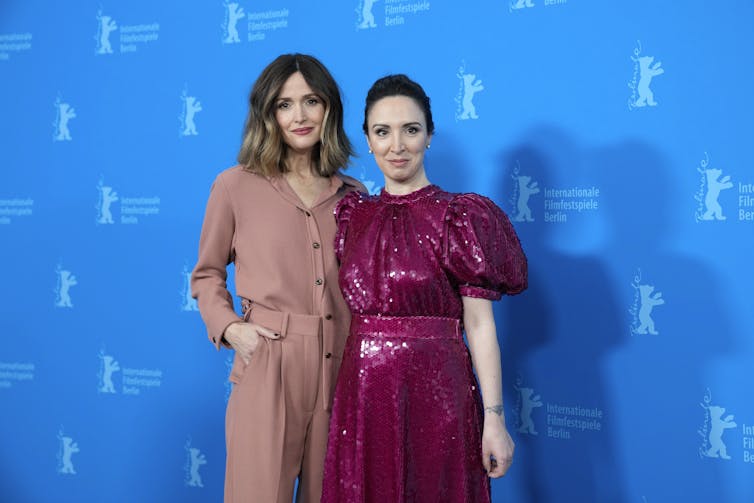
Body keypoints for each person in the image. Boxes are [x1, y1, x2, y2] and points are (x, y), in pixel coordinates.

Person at [321, 74, 528, 502]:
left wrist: (494, 418)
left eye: (411, 130)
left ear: (429, 136)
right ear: (368, 140)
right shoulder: (352, 216)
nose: (397, 146)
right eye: (383, 132)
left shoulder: (459, 217)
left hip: (439, 396)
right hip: (362, 397)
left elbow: (480, 325)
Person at [190, 53, 364, 503]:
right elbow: (207, 274)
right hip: (270, 361)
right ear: (267, 113)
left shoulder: (355, 196)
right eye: (285, 104)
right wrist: (231, 328)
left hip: (341, 368)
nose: (300, 116)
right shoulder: (234, 186)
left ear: (329, 109)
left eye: (311, 101)